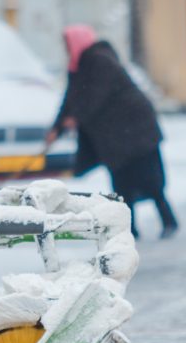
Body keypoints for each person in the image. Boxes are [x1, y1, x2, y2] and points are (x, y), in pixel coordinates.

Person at [48, 25, 177, 239]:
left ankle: (168, 221)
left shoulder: (99, 60)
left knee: (149, 179)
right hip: (116, 136)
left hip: (136, 130)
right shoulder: (79, 66)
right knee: (122, 182)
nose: (66, 48)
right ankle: (129, 229)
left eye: (68, 43)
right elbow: (70, 99)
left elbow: (94, 96)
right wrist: (57, 127)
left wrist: (75, 118)